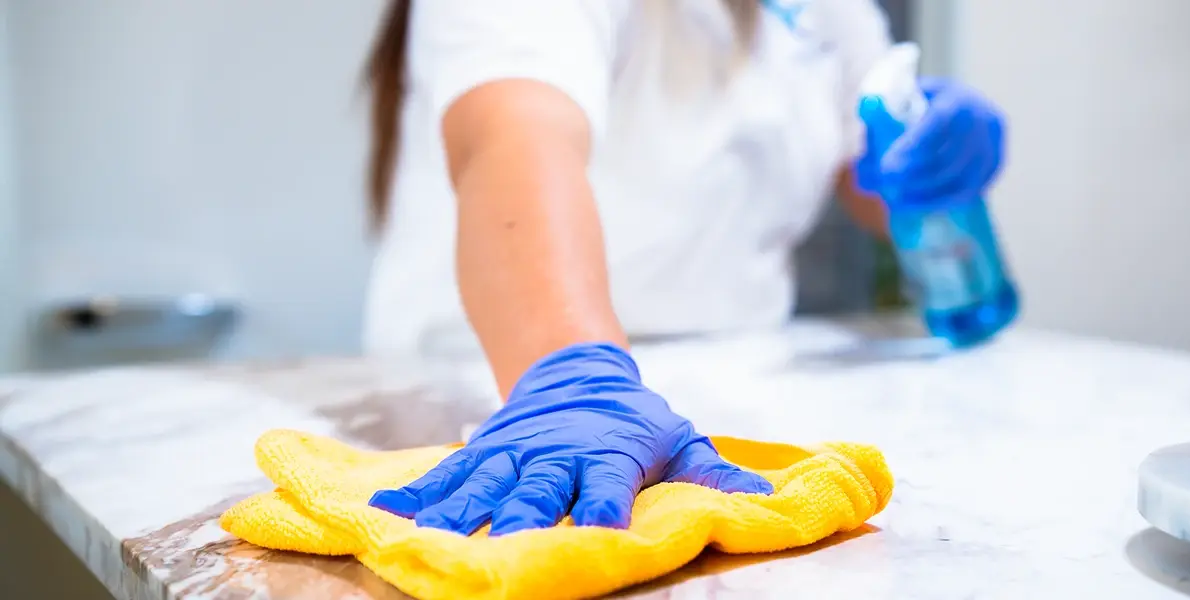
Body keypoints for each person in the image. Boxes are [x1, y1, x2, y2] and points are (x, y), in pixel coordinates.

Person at [361, 0, 1005, 536]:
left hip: (731, 385)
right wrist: (570, 376)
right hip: (509, 396)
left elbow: (860, 167)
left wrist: (927, 161)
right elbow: (515, 141)